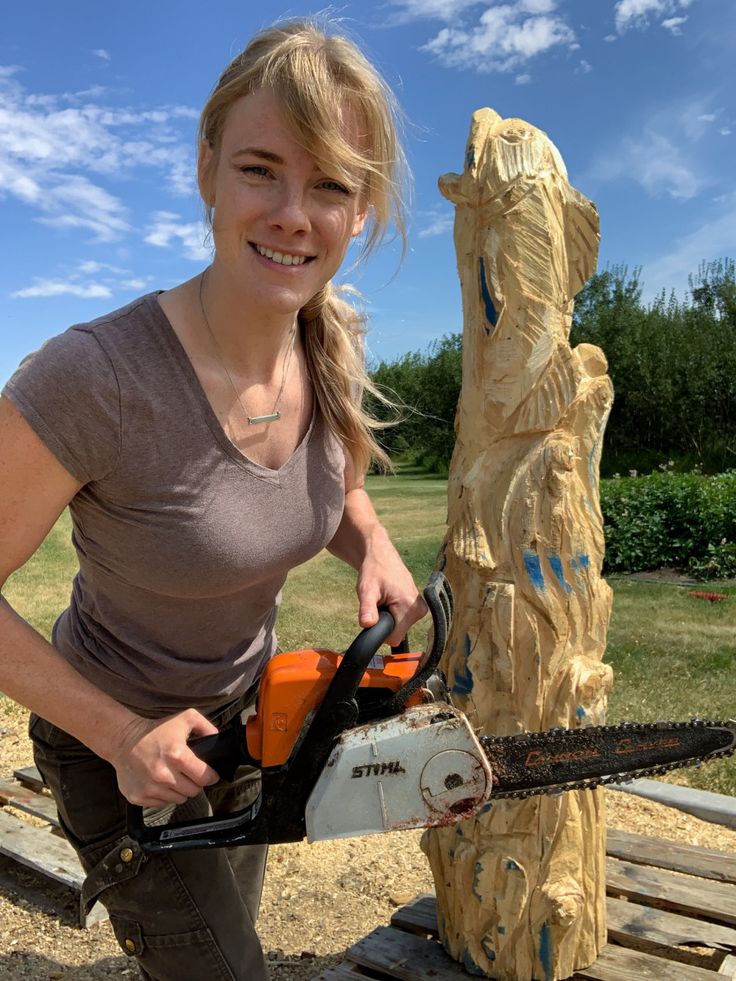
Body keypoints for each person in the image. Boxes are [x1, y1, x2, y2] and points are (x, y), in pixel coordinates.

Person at [0, 19, 426, 980]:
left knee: (230, 947)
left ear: (361, 210)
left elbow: (339, 483)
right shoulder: (96, 377)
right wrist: (118, 735)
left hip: (248, 725)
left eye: (330, 185)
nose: (293, 214)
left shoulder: (330, 342)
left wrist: (376, 551)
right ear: (206, 169)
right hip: (115, 742)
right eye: (261, 169)